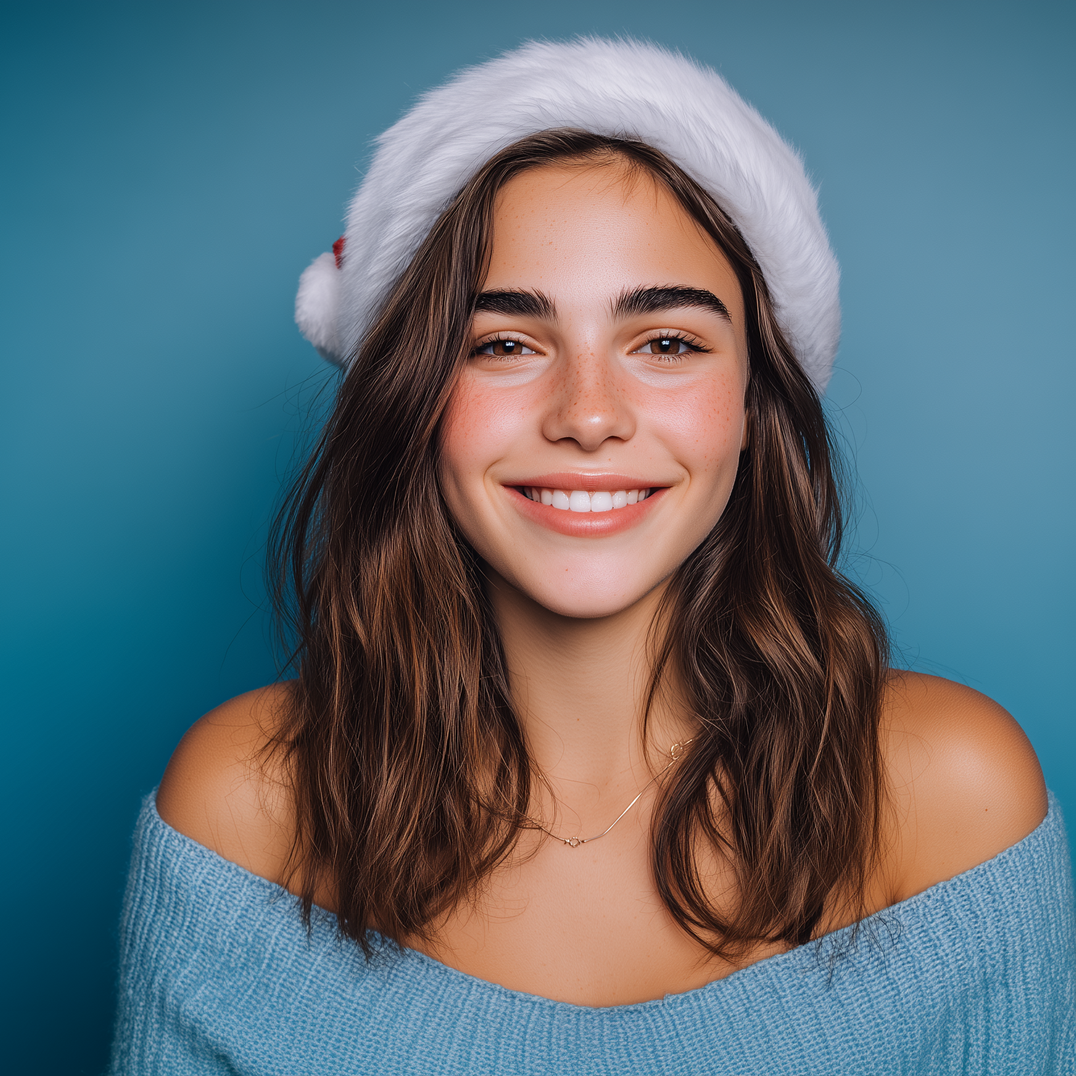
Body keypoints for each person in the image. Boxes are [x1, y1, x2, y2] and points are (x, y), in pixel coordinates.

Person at [110, 38, 1074, 1074]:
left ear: (753, 403)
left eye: (664, 342)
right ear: (412, 401)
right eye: (503, 343)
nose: (586, 416)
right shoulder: (242, 811)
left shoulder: (950, 798)